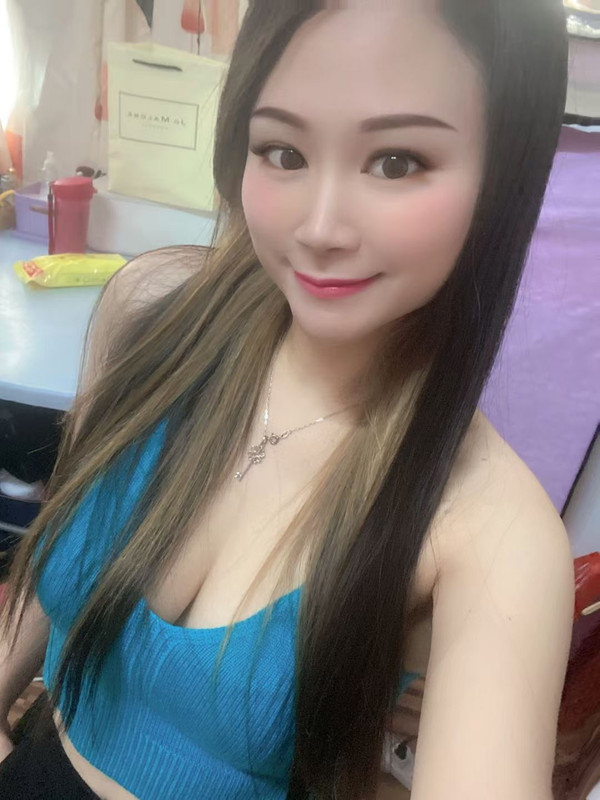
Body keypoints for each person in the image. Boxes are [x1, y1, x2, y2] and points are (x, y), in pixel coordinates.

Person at [0, 1, 575, 798]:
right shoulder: (151, 314)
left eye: (397, 161)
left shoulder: (492, 531)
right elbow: (61, 559)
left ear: (503, 179)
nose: (320, 227)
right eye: (283, 151)